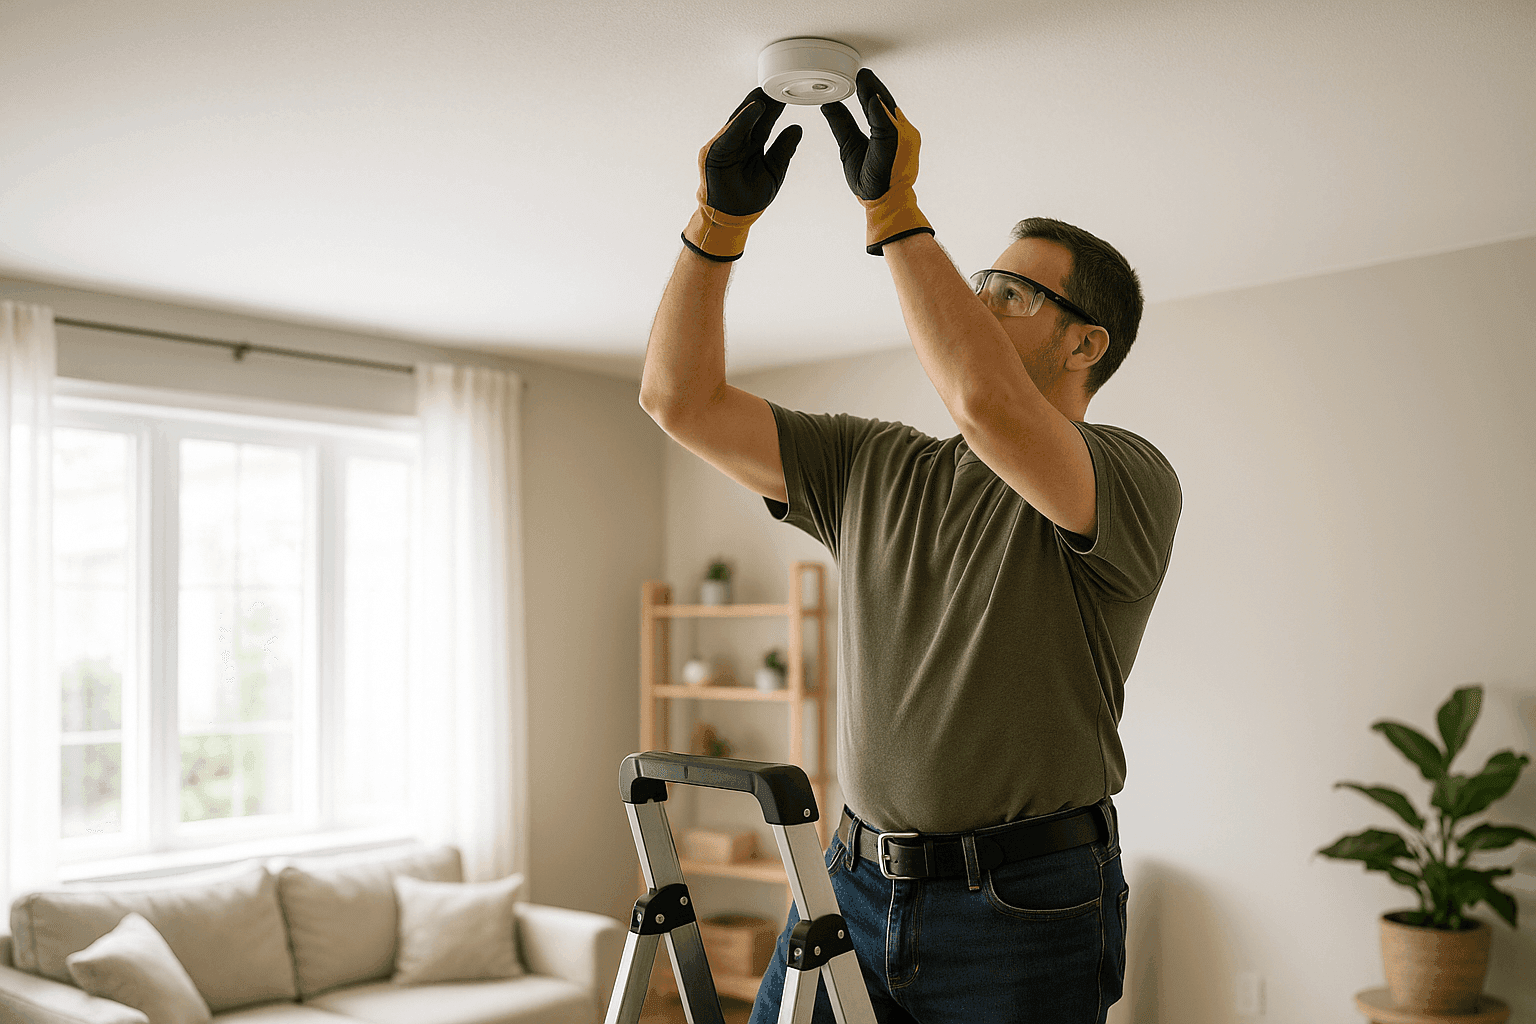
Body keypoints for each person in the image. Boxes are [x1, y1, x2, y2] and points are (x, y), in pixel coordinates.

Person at [638, 68, 1182, 1024]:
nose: (974, 304)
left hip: (1023, 908)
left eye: (1005, 294)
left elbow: (987, 405)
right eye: (977, 285)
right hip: (852, 884)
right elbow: (678, 401)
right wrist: (716, 222)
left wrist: (893, 209)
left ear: (1084, 345)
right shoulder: (872, 466)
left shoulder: (1129, 476)